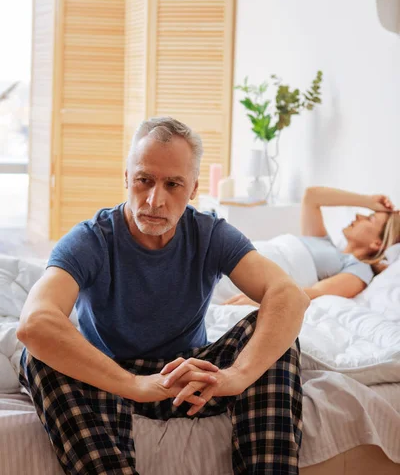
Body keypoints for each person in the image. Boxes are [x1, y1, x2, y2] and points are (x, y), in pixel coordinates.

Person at [17, 116, 310, 475]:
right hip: (110, 377)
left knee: (277, 333)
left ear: (193, 189)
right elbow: (34, 323)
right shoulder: (91, 239)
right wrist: (136, 385)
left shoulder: (210, 234)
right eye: (144, 180)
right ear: (126, 178)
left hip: (192, 378)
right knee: (37, 355)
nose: (155, 199)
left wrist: (235, 377)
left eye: (173, 184)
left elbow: (288, 295)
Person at [224, 186, 400, 307]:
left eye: (370, 219)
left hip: (255, 273)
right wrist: (367, 201)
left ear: (377, 243)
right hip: (245, 252)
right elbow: (311, 196)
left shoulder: (359, 269)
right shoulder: (323, 241)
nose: (359, 215)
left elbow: (317, 292)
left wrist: (261, 300)